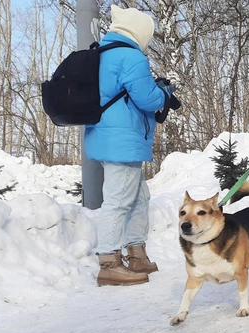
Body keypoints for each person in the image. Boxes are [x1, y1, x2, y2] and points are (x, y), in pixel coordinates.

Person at [85, 5, 175, 286]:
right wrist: (166, 94)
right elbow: (147, 99)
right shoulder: (130, 55)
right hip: (120, 140)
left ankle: (136, 254)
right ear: (139, 32)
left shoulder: (103, 53)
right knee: (118, 200)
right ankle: (109, 263)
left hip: (109, 136)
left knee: (139, 197)